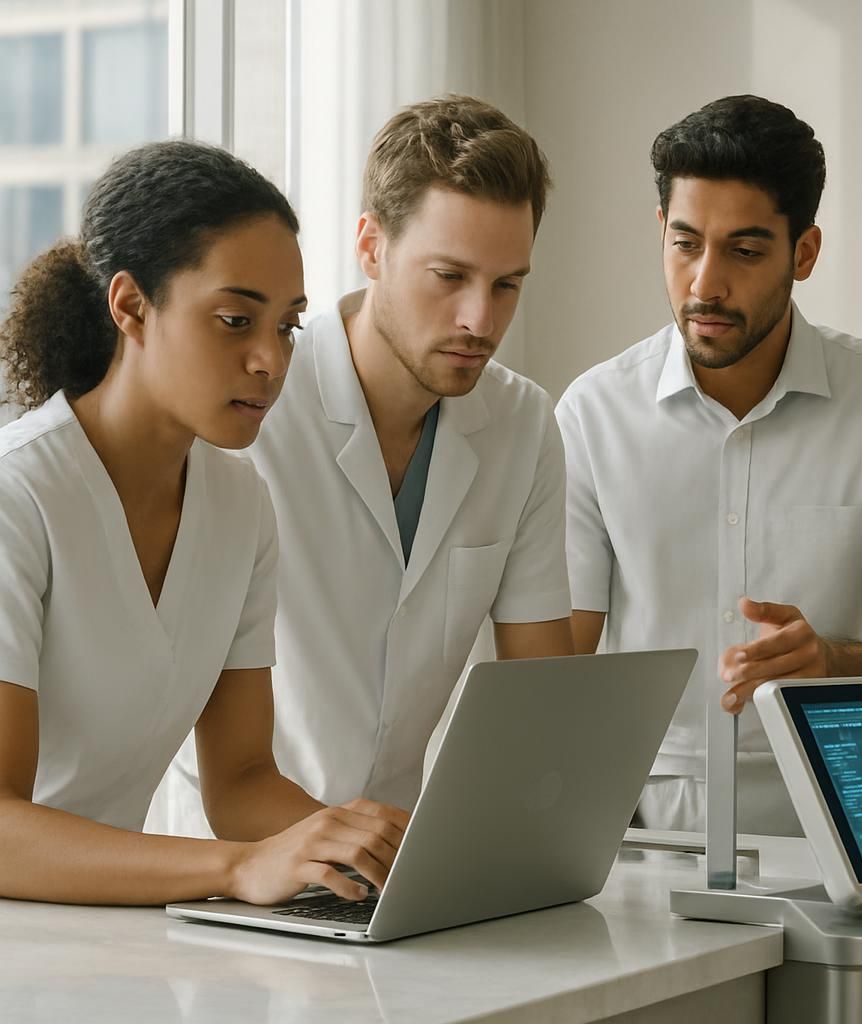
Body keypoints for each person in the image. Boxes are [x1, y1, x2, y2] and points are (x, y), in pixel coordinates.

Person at [557, 95, 862, 835]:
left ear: (804, 253)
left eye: (744, 252)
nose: (704, 285)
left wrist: (830, 663)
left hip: (838, 809)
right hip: (643, 819)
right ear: (662, 232)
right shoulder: (593, 413)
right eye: (686, 244)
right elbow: (556, 667)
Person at [152, 96, 573, 835]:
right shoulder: (251, 402)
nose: (481, 319)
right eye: (449, 276)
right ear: (371, 247)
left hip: (395, 862)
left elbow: (541, 705)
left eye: (508, 284)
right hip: (232, 856)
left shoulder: (524, 424)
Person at [0, 140, 406, 905]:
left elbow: (242, 780)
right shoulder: (16, 497)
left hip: (99, 941)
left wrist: (378, 851)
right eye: (233, 320)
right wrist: (236, 868)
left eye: (287, 326)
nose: (269, 361)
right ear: (130, 307)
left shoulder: (240, 505)